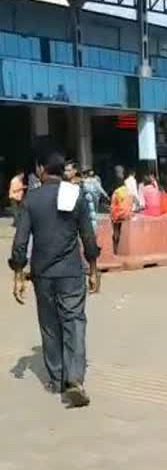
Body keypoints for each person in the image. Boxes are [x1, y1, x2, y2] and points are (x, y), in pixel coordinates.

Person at [8, 152, 100, 408]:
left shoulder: (32, 199)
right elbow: (88, 236)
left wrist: (18, 274)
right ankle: (74, 381)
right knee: (74, 322)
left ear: (40, 169)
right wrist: (93, 268)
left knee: (49, 325)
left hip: (43, 275)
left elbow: (21, 242)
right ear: (62, 170)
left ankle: (57, 377)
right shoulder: (75, 194)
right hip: (71, 272)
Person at [110, 178, 133, 252]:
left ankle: (115, 247)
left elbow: (113, 206)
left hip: (119, 215)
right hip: (128, 214)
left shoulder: (116, 192)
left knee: (115, 227)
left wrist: (112, 217)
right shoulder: (128, 191)